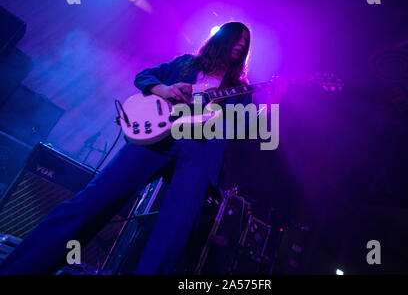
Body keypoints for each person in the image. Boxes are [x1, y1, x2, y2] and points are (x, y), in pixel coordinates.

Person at [0, 21, 253, 275]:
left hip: (199, 151)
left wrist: (267, 103)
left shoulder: (240, 89)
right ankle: (20, 269)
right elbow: (143, 77)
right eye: (238, 38)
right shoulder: (186, 64)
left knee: (171, 235)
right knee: (90, 203)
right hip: (157, 139)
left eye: (246, 42)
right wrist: (165, 90)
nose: (242, 44)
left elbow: (240, 132)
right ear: (222, 39)